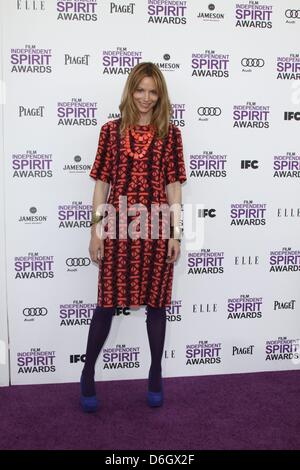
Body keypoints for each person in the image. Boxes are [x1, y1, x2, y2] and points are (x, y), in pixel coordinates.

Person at [80, 62, 187, 412]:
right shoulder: (110, 132)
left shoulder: (171, 134)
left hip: (156, 228)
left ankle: (155, 372)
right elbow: (101, 185)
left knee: (157, 304)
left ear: (160, 96)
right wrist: (96, 230)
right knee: (106, 304)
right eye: (140, 90)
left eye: (153, 91)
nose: (145, 97)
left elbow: (173, 188)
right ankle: (87, 373)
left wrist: (175, 232)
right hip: (117, 227)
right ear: (130, 91)